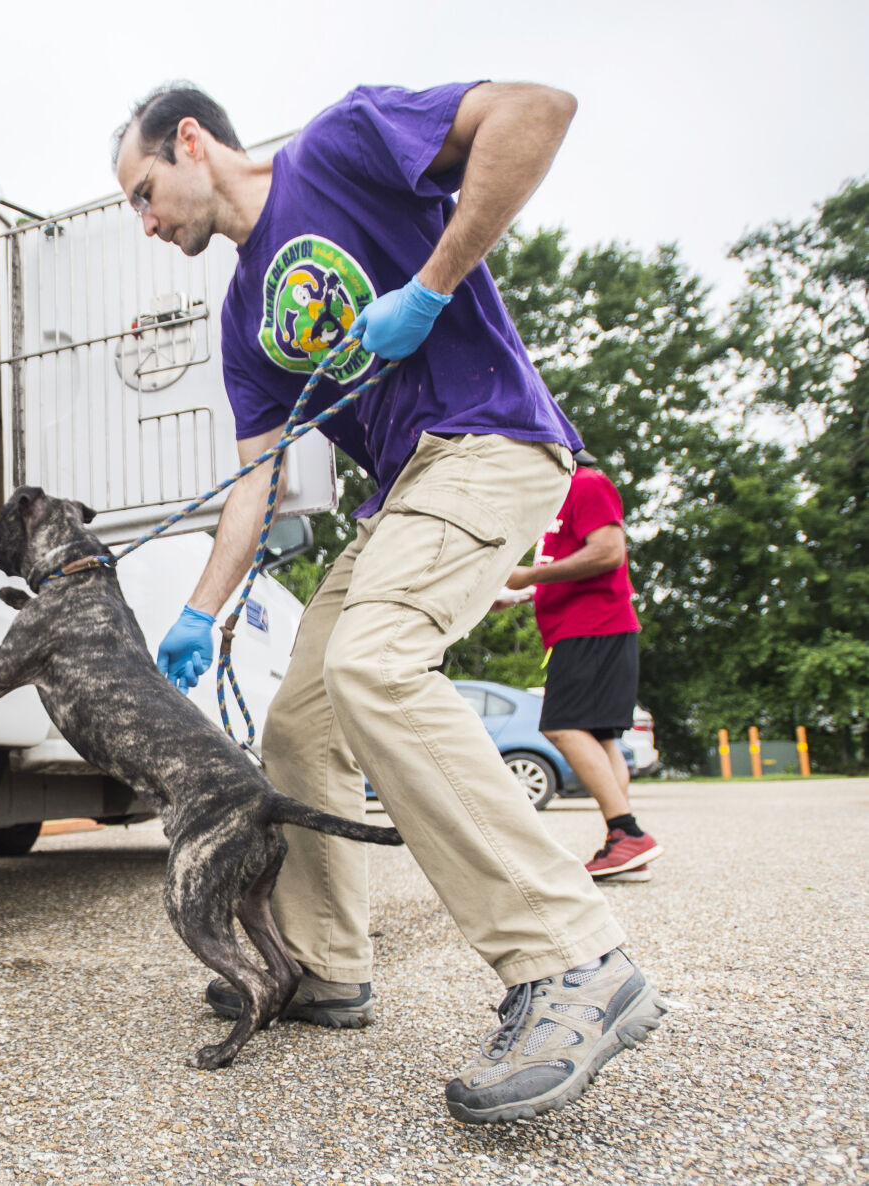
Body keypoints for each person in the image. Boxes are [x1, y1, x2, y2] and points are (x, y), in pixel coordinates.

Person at [112, 80, 665, 1122]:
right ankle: (322, 965)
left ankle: (570, 959)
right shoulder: (241, 319)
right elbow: (255, 480)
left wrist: (430, 280)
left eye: (144, 191)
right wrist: (197, 609)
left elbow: (537, 111)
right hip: (401, 489)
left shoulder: (339, 144)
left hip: (487, 438)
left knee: (370, 666)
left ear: (191, 141)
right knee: (299, 723)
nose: (145, 221)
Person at [505, 450, 662, 880]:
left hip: (592, 629)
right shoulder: (556, 501)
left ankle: (627, 833)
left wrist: (530, 576)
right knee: (601, 739)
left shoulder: (586, 483)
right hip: (587, 630)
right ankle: (626, 848)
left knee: (561, 726)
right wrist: (519, 593)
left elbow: (609, 553)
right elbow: (568, 571)